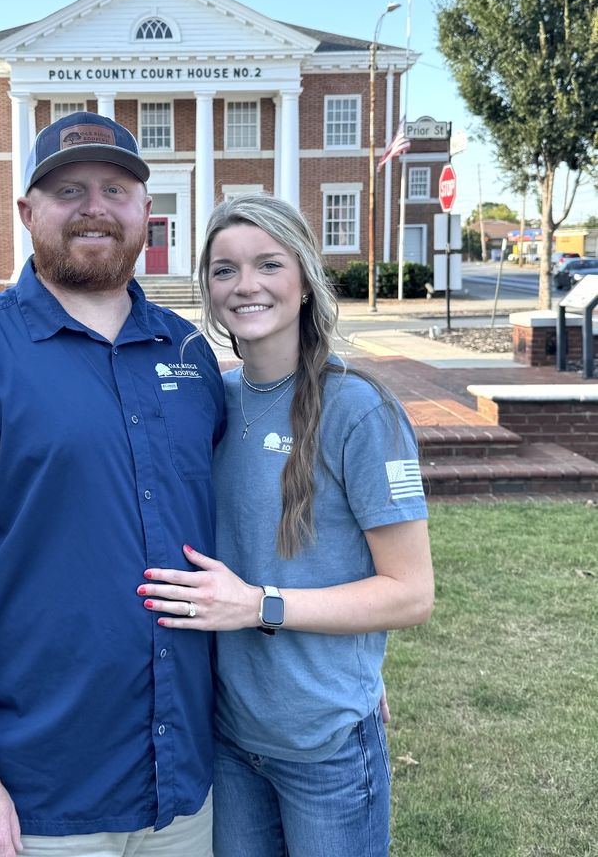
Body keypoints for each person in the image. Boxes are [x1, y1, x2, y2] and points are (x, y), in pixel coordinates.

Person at [0, 112, 224, 857]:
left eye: (114, 188)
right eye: (68, 190)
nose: (94, 207)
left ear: (145, 210)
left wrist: (335, 655)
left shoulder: (191, 354)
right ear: (27, 212)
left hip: (187, 786)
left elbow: (251, 519)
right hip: (40, 794)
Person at [137, 194, 434, 857]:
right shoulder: (211, 402)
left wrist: (258, 606)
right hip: (230, 741)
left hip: (324, 746)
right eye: (223, 270)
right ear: (207, 292)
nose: (245, 285)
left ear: (303, 280)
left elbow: (410, 592)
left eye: (267, 264)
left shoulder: (361, 411)